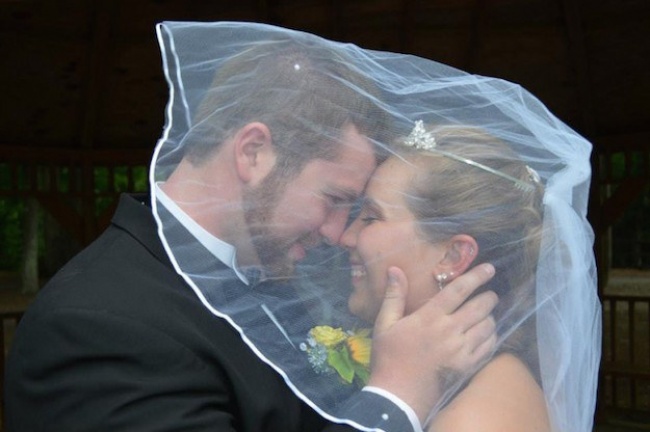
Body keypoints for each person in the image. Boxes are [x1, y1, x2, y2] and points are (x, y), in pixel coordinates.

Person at [4, 22, 497, 432]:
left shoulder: (275, 277)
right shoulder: (98, 328)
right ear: (253, 152)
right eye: (334, 200)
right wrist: (397, 395)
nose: (336, 233)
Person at [340, 123, 601, 432]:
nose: (345, 237)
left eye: (371, 218)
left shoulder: (477, 418)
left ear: (453, 256)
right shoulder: (463, 383)